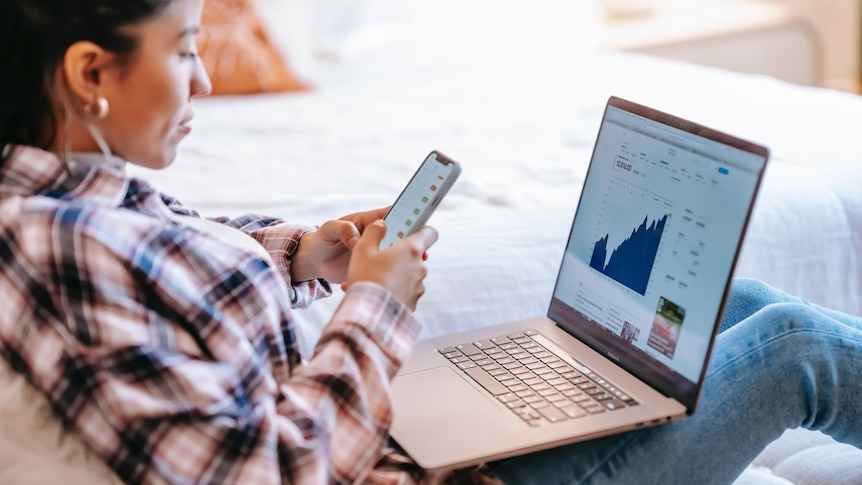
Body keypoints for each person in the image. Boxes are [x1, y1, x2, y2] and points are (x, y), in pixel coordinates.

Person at [0, 1, 859, 484]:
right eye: (185, 51)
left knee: (739, 306)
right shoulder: (63, 249)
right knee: (792, 349)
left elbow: (169, 256)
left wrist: (306, 252)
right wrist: (374, 306)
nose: (206, 79)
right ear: (89, 74)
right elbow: (261, 475)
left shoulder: (63, 200)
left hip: (410, 441)